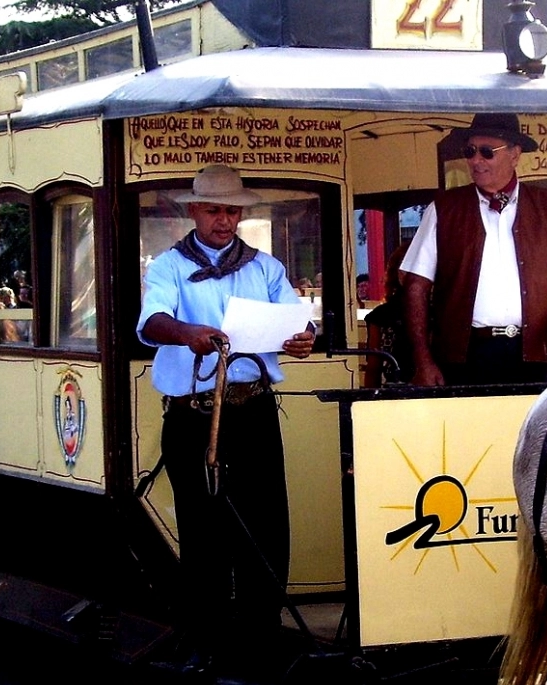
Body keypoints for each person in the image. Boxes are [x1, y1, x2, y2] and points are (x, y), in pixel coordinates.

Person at [136, 164, 314, 679]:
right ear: (193, 211)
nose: (224, 220)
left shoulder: (264, 267)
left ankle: (261, 636)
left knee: (265, 523)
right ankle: (206, 641)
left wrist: (304, 337)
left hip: (252, 408)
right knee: (203, 528)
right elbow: (152, 321)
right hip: (194, 416)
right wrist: (187, 332)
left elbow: (297, 322)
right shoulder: (168, 266)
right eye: (214, 210)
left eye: (232, 210)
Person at [400, 112, 547, 386]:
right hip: (462, 358)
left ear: (515, 155)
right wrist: (422, 360)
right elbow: (415, 285)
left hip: (532, 356)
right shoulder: (444, 209)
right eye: (470, 151)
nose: (476, 160)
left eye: (487, 152)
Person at [363, 242, 413, 386]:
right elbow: (373, 368)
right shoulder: (380, 316)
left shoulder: (442, 312)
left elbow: (373, 369)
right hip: (394, 391)